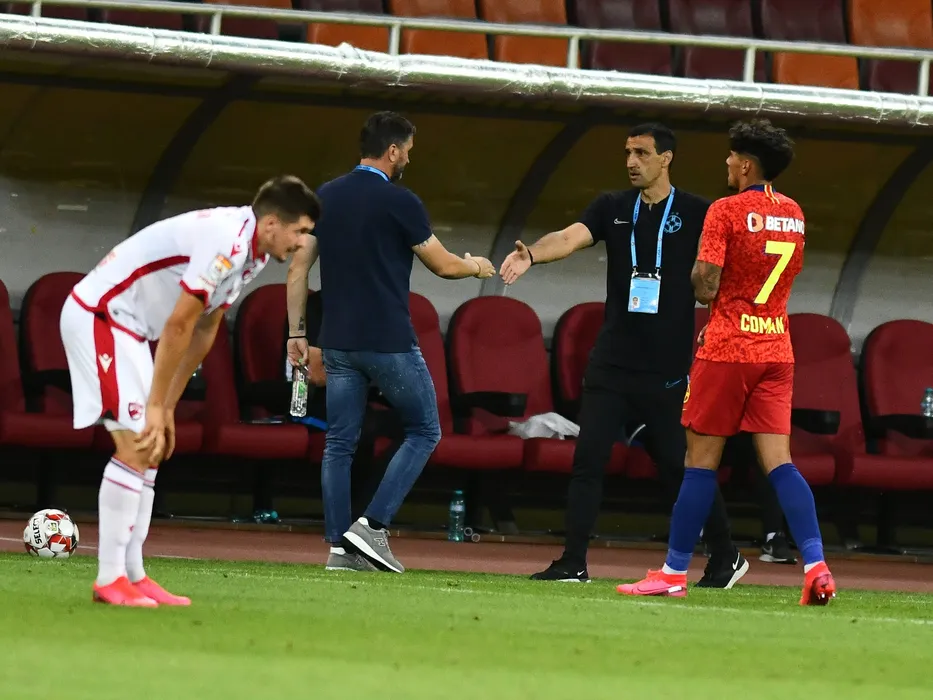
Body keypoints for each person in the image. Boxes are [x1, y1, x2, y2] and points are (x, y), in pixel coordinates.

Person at [500, 122, 748, 588]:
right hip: (611, 362)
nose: (632, 162)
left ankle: (726, 554)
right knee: (588, 461)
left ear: (666, 159)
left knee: (679, 468)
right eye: (628, 153)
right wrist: (530, 254)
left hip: (666, 369)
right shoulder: (612, 207)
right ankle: (573, 562)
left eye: (642, 153)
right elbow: (568, 237)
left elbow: (726, 272)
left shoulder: (699, 212)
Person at [60, 176, 321, 607]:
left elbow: (206, 326)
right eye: (300, 231)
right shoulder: (227, 242)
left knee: (153, 446)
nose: (302, 243)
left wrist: (167, 406)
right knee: (136, 445)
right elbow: (179, 323)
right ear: (273, 223)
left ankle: (134, 575)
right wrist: (155, 405)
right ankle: (109, 579)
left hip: (130, 330)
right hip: (99, 317)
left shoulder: (254, 253)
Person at [617, 119, 836, 605]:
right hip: (776, 347)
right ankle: (817, 565)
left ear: (746, 165)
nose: (727, 162)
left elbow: (706, 284)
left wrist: (700, 276)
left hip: (728, 348)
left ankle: (673, 572)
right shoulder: (794, 213)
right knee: (780, 463)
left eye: (732, 156)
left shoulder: (725, 209)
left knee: (699, 463)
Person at [285, 111, 495, 574]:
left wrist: (298, 334)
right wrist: (477, 266)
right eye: (408, 153)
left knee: (339, 444)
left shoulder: (325, 196)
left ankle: (339, 550)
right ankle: (372, 526)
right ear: (393, 150)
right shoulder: (401, 201)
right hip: (386, 341)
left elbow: (298, 270)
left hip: (337, 343)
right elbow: (443, 265)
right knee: (425, 430)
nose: (408, 161)